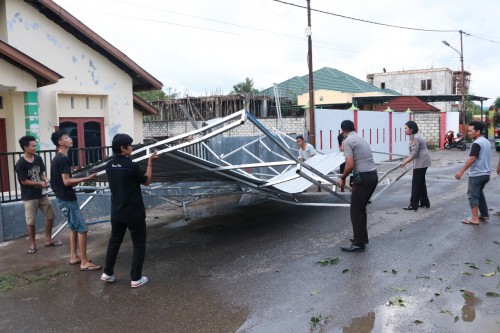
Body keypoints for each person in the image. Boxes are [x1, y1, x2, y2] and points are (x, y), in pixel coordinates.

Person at [101, 134, 158, 288]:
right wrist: (150, 162)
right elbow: (146, 181)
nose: (132, 148)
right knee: (139, 244)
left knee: (114, 242)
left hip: (117, 212)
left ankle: (107, 273)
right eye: (130, 145)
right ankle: (136, 278)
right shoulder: (131, 166)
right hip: (134, 212)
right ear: (123, 148)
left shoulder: (109, 165)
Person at [50, 130, 101, 270]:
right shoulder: (62, 159)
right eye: (66, 137)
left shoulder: (58, 158)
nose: (70, 138)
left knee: (73, 228)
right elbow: (66, 182)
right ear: (60, 142)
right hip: (67, 199)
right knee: (82, 229)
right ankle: (84, 262)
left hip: (63, 198)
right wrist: (87, 178)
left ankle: (74, 256)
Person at [15, 135, 62, 254]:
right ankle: (32, 244)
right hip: (29, 196)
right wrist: (39, 184)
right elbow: (23, 181)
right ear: (25, 148)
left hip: (41, 194)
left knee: (50, 214)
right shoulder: (20, 163)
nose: (35, 147)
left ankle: (48, 239)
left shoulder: (38, 158)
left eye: (35, 145)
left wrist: (46, 180)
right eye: (33, 146)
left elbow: (41, 173)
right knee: (31, 221)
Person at [336, 120, 378, 252]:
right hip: (372, 176)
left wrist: (342, 177)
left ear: (342, 131)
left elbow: (349, 165)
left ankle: (358, 243)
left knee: (355, 211)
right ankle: (362, 238)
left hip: (364, 178)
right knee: (360, 209)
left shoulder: (348, 141)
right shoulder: (360, 138)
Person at [455, 121, 491, 225]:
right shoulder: (486, 141)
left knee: (473, 196)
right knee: (479, 193)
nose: (468, 132)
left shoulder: (476, 143)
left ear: (478, 131)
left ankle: (475, 219)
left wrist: (461, 171)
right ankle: (484, 214)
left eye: (470, 130)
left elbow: (472, 158)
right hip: (486, 174)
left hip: (477, 174)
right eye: (468, 130)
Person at [400, 121, 431, 211]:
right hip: (423, 161)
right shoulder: (415, 137)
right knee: (421, 183)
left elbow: (413, 154)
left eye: (406, 128)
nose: (404, 130)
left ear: (411, 129)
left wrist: (404, 162)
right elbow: (413, 153)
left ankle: (413, 204)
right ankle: (425, 202)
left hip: (421, 163)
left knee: (416, 184)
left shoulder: (415, 138)